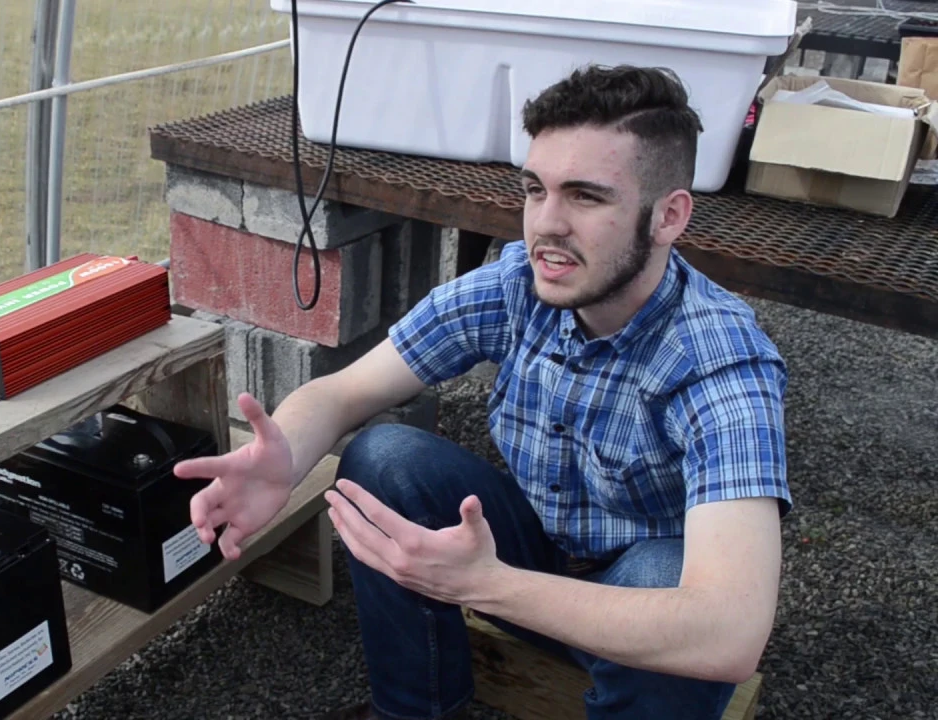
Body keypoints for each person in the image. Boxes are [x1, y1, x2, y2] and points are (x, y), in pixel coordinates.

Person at [172, 64, 791, 720]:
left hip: (635, 606)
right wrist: (287, 456)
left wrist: (486, 585)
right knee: (383, 458)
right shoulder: (519, 285)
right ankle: (415, 711)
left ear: (668, 216)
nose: (547, 224)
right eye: (535, 189)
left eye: (586, 197)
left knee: (663, 577)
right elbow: (345, 392)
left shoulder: (721, 361)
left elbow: (728, 633)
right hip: (531, 550)